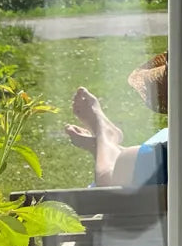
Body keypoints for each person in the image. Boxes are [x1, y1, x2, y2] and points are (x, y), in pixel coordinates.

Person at [64, 52, 168, 187]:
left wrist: (101, 134)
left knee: (118, 167)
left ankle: (104, 136)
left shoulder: (174, 154)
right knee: (128, 160)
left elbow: (108, 187)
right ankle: (107, 147)